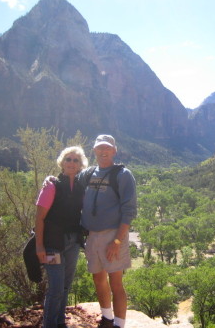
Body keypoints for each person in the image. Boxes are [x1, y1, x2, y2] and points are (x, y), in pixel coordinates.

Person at [80, 135, 137, 328]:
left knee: (116, 282)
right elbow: (68, 180)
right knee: (97, 277)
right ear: (94, 150)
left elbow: (129, 211)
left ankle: (119, 324)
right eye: (99, 148)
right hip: (92, 235)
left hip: (113, 235)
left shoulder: (122, 175)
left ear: (114, 150)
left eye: (107, 148)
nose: (103, 152)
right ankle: (107, 318)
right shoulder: (89, 174)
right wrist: (52, 180)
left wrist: (117, 241)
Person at [35, 146, 89, 328]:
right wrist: (39, 246)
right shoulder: (52, 185)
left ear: (80, 164)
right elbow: (39, 218)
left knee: (65, 287)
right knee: (56, 288)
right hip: (53, 244)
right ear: (62, 162)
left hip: (73, 242)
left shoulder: (82, 187)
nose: (71, 163)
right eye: (68, 159)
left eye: (75, 160)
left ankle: (59, 322)